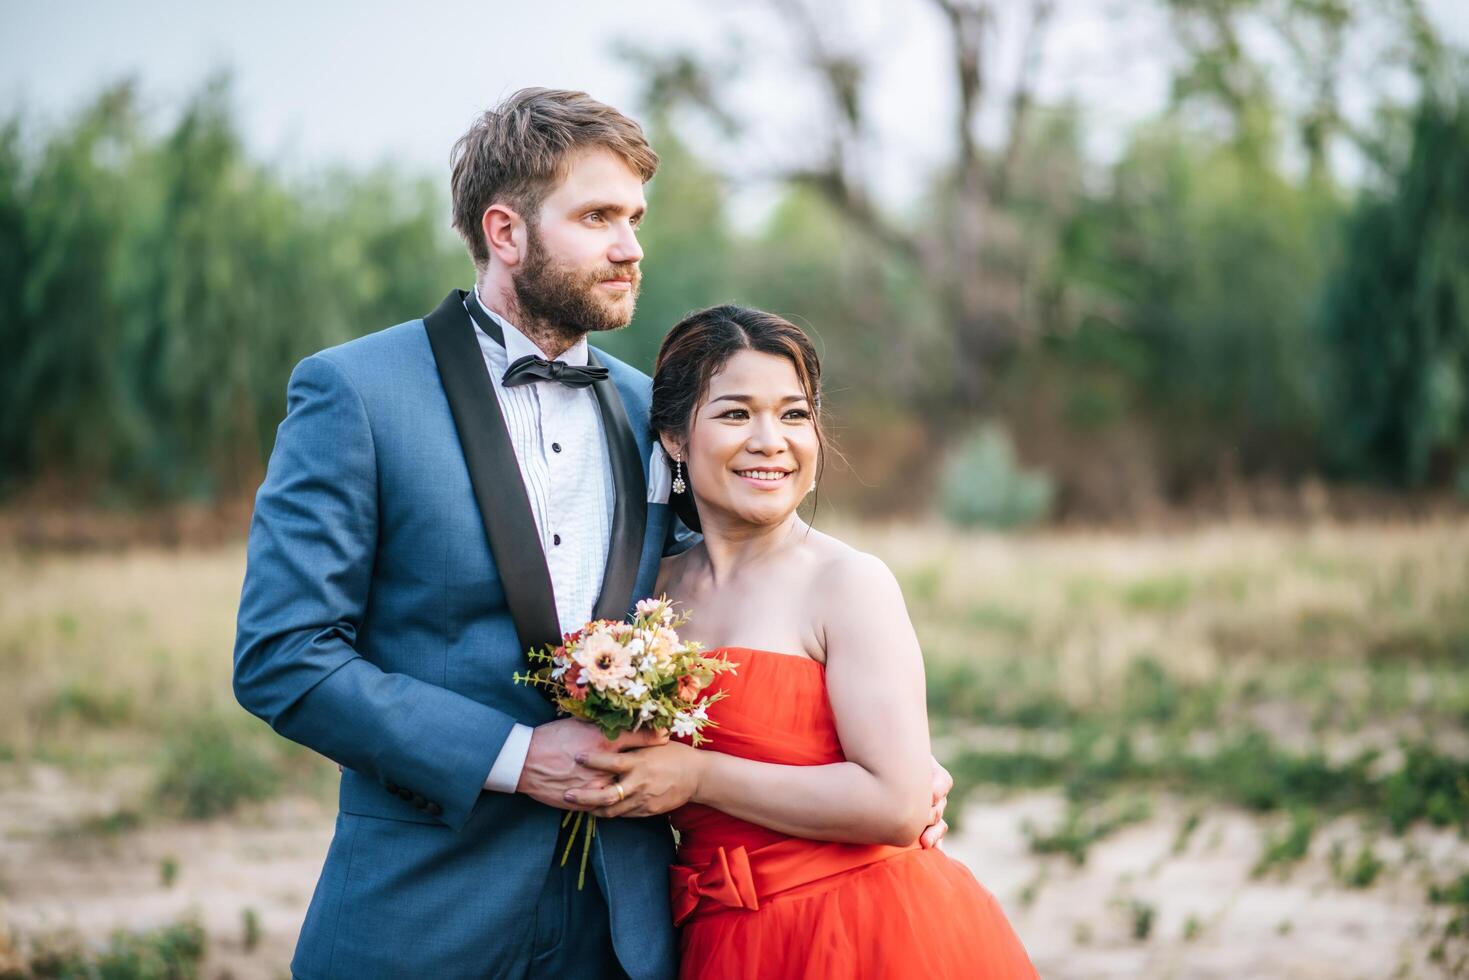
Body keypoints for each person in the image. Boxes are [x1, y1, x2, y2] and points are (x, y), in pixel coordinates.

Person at [232, 89, 950, 980]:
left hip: (632, 924)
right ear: (506, 231)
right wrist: (516, 756)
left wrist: (882, 765)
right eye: (598, 217)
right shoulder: (356, 393)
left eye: (635, 219)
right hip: (425, 906)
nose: (630, 248)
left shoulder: (654, 411)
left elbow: (755, 587)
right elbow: (284, 656)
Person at [563, 306, 1039, 979]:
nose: (770, 441)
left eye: (793, 414)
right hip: (717, 944)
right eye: (735, 414)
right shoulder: (644, 600)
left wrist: (696, 776)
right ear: (674, 435)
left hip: (865, 935)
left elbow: (899, 806)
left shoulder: (847, 583)